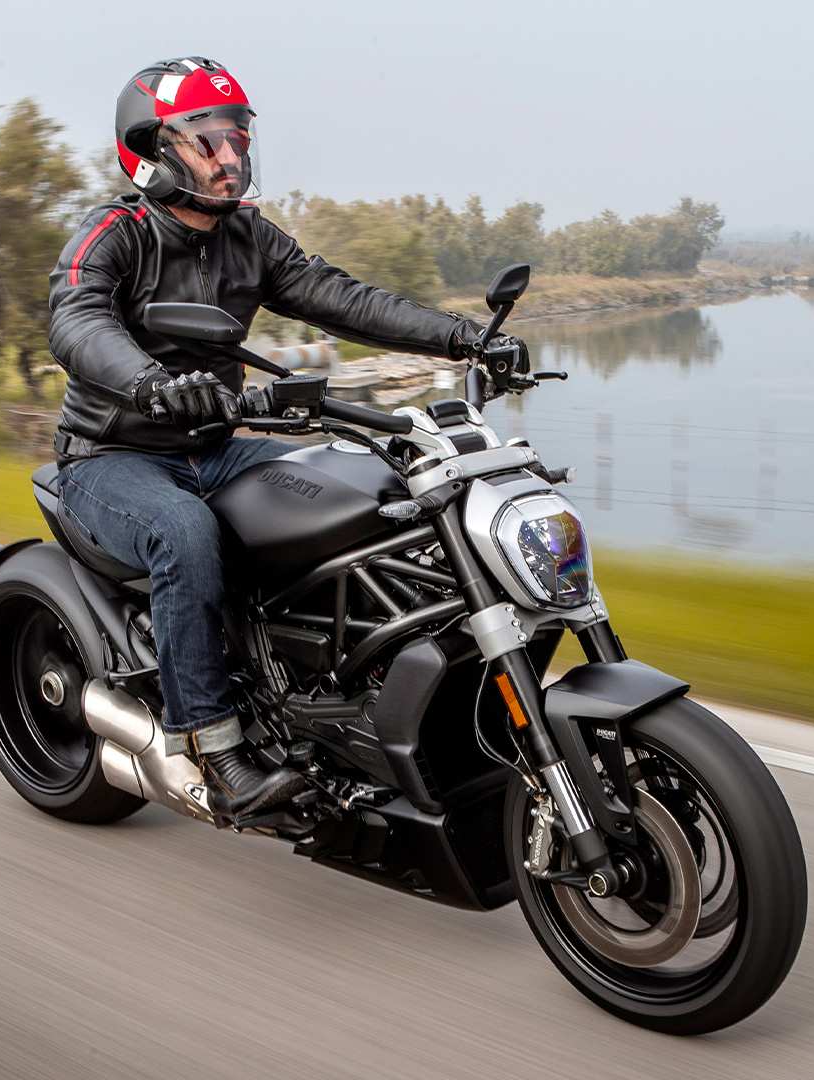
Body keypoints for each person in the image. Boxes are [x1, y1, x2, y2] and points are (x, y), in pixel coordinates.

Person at [47, 56, 524, 821]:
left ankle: (353, 698)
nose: (229, 157)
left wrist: (466, 338)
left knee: (372, 492)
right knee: (183, 532)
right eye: (208, 141)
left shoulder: (247, 236)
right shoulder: (116, 233)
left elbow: (341, 298)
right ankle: (211, 746)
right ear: (154, 150)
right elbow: (78, 320)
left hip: (217, 447)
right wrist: (149, 383)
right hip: (114, 458)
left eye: (237, 139)